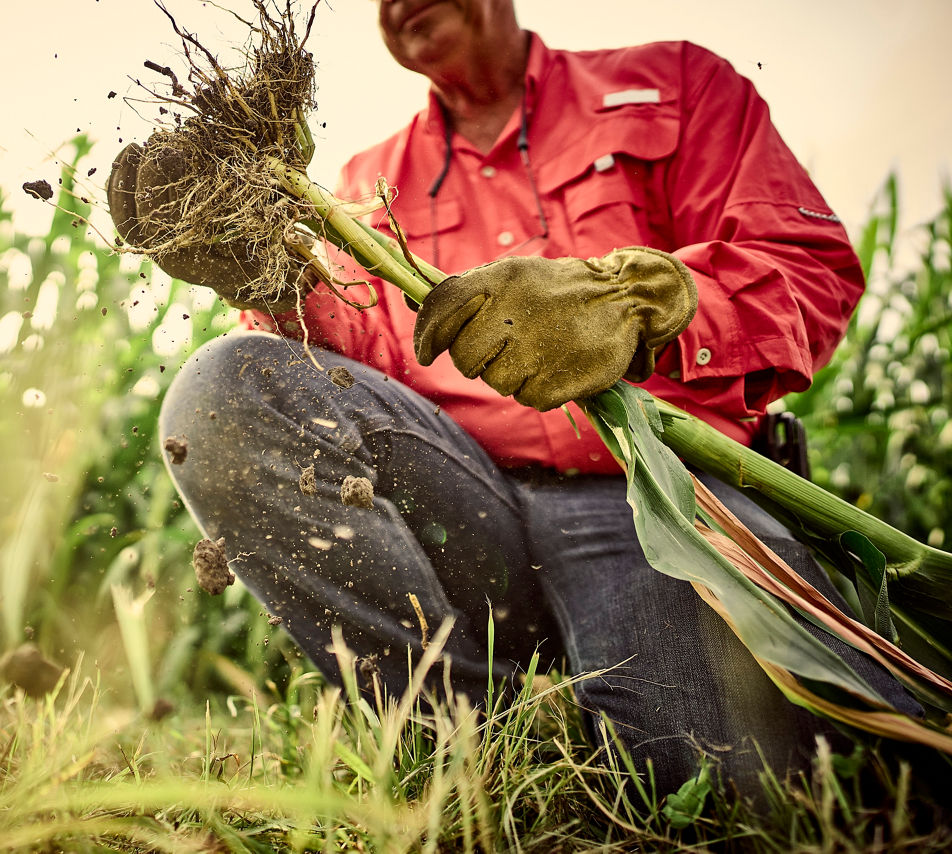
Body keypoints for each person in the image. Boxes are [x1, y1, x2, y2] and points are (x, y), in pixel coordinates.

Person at [110, 0, 917, 803]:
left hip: (658, 504)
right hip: (468, 515)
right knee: (228, 385)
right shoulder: (360, 188)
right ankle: (456, 742)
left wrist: (635, 301)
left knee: (719, 783)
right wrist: (269, 288)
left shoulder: (672, 87)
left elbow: (809, 272)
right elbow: (340, 386)